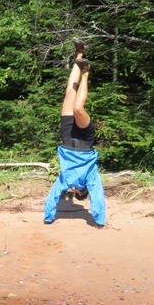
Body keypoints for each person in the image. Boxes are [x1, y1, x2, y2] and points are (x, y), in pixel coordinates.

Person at [44, 39, 106, 228]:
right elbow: (97, 196)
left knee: (69, 94)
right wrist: (99, 220)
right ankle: (85, 72)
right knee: (78, 108)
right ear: (80, 193)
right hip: (85, 142)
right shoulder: (91, 177)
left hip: (67, 138)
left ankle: (80, 54)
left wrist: (49, 217)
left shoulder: (67, 179)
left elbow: (53, 195)